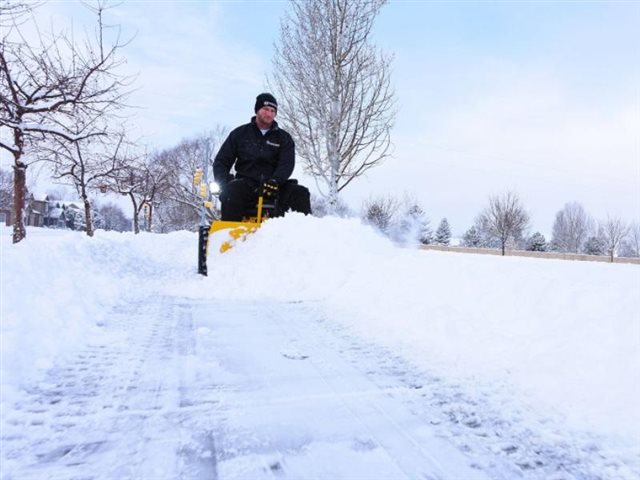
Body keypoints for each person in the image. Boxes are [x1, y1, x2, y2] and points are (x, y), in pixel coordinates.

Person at [213, 93, 312, 221]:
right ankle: (228, 236)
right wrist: (225, 183)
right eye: (265, 109)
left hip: (275, 186)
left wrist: (276, 181)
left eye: (272, 111)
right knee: (231, 191)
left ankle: (304, 236)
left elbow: (286, 164)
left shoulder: (284, 138)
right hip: (246, 185)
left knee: (300, 192)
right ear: (257, 110)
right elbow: (221, 162)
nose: (269, 114)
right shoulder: (239, 134)